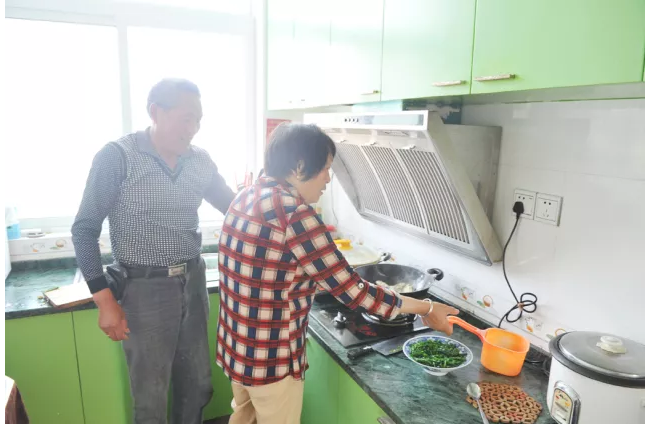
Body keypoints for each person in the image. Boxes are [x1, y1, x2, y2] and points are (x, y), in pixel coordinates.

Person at [216, 123, 459, 424]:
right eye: (325, 169)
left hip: (237, 348)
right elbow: (355, 292)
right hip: (271, 361)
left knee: (244, 416)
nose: (328, 179)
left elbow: (269, 272)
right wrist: (428, 308)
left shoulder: (245, 197)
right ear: (299, 166)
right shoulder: (295, 214)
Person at [71, 78, 236, 424]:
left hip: (193, 281)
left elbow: (234, 209)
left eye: (198, 120)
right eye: (186, 118)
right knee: (151, 397)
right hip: (144, 288)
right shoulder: (118, 157)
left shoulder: (200, 161)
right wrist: (105, 302)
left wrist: (273, 202)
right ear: (155, 112)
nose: (193, 129)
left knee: (198, 386)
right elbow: (84, 229)